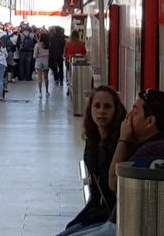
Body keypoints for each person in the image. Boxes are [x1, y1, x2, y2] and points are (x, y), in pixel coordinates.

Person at [70, 89, 164, 236]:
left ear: (150, 121)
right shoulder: (154, 145)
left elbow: (113, 183)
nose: (129, 116)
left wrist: (123, 139)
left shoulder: (153, 151)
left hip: (126, 225)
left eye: (135, 112)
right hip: (122, 221)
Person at [55, 87, 128, 236]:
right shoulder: (92, 142)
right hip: (97, 212)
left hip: (114, 216)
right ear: (91, 109)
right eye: (97, 106)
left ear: (116, 110)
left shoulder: (121, 144)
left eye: (107, 107)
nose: (101, 111)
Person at [34, 31, 51, 98]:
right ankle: (47, 92)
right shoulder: (48, 45)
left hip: (38, 60)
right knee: (46, 77)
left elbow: (34, 56)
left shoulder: (37, 45)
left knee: (39, 77)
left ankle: (40, 92)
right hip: (46, 60)